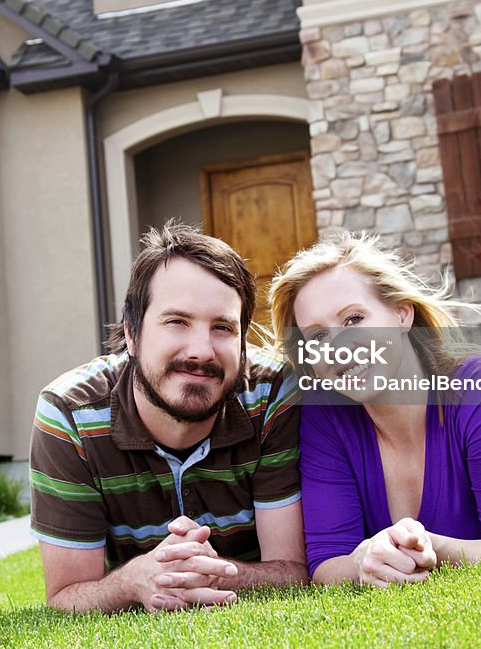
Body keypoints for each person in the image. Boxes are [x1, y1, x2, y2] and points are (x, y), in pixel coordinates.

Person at [268, 231, 481, 589]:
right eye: (317, 337)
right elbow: (326, 562)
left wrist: (429, 545)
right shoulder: (325, 414)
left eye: (353, 319)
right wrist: (362, 563)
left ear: (401, 314)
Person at [30, 222, 307, 613]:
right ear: (132, 332)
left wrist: (216, 572)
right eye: (177, 321)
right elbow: (64, 596)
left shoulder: (272, 394)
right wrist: (132, 580)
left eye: (222, 328)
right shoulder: (70, 415)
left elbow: (293, 570)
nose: (201, 351)